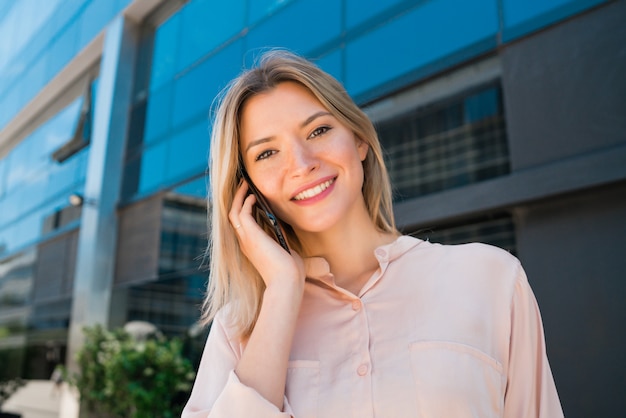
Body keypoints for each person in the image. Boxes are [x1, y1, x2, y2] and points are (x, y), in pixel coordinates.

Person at [182, 49, 564, 418]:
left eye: (318, 130)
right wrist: (282, 290)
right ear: (248, 188)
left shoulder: (490, 278)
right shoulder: (240, 326)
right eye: (267, 153)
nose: (301, 164)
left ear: (359, 139)